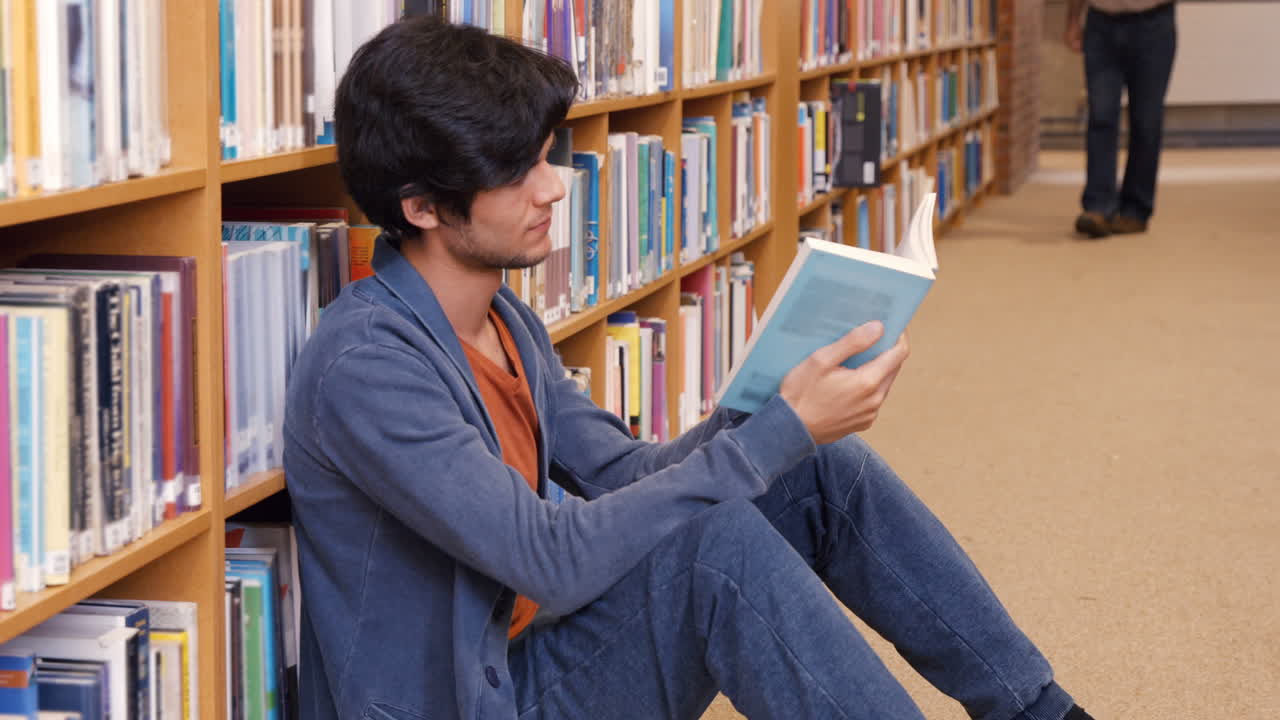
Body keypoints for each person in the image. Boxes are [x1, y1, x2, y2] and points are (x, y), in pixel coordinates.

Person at [283, 16, 1097, 720]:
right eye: (515, 171)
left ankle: (1037, 709)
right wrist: (767, 440)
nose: (554, 188)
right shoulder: (365, 368)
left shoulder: (502, 318)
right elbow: (545, 553)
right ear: (421, 206)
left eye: (543, 157)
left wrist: (772, 412)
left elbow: (622, 470)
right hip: (478, 697)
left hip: (532, 645)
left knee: (818, 470)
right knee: (715, 546)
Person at [1066, 0, 1178, 239]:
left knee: (1146, 121)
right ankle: (1098, 206)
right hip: (1100, 24)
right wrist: (1073, 20)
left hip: (1153, 23)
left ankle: (1135, 211)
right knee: (1101, 115)